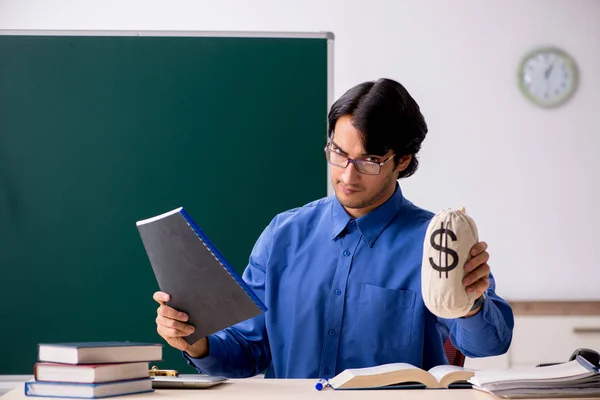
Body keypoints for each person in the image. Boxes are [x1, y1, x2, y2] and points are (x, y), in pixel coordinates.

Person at [153, 78, 514, 379]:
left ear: (402, 161)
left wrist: (471, 303)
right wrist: (195, 341)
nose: (347, 174)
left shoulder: (436, 241)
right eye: (338, 153)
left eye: (369, 161)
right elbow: (249, 352)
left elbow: (488, 345)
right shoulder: (283, 235)